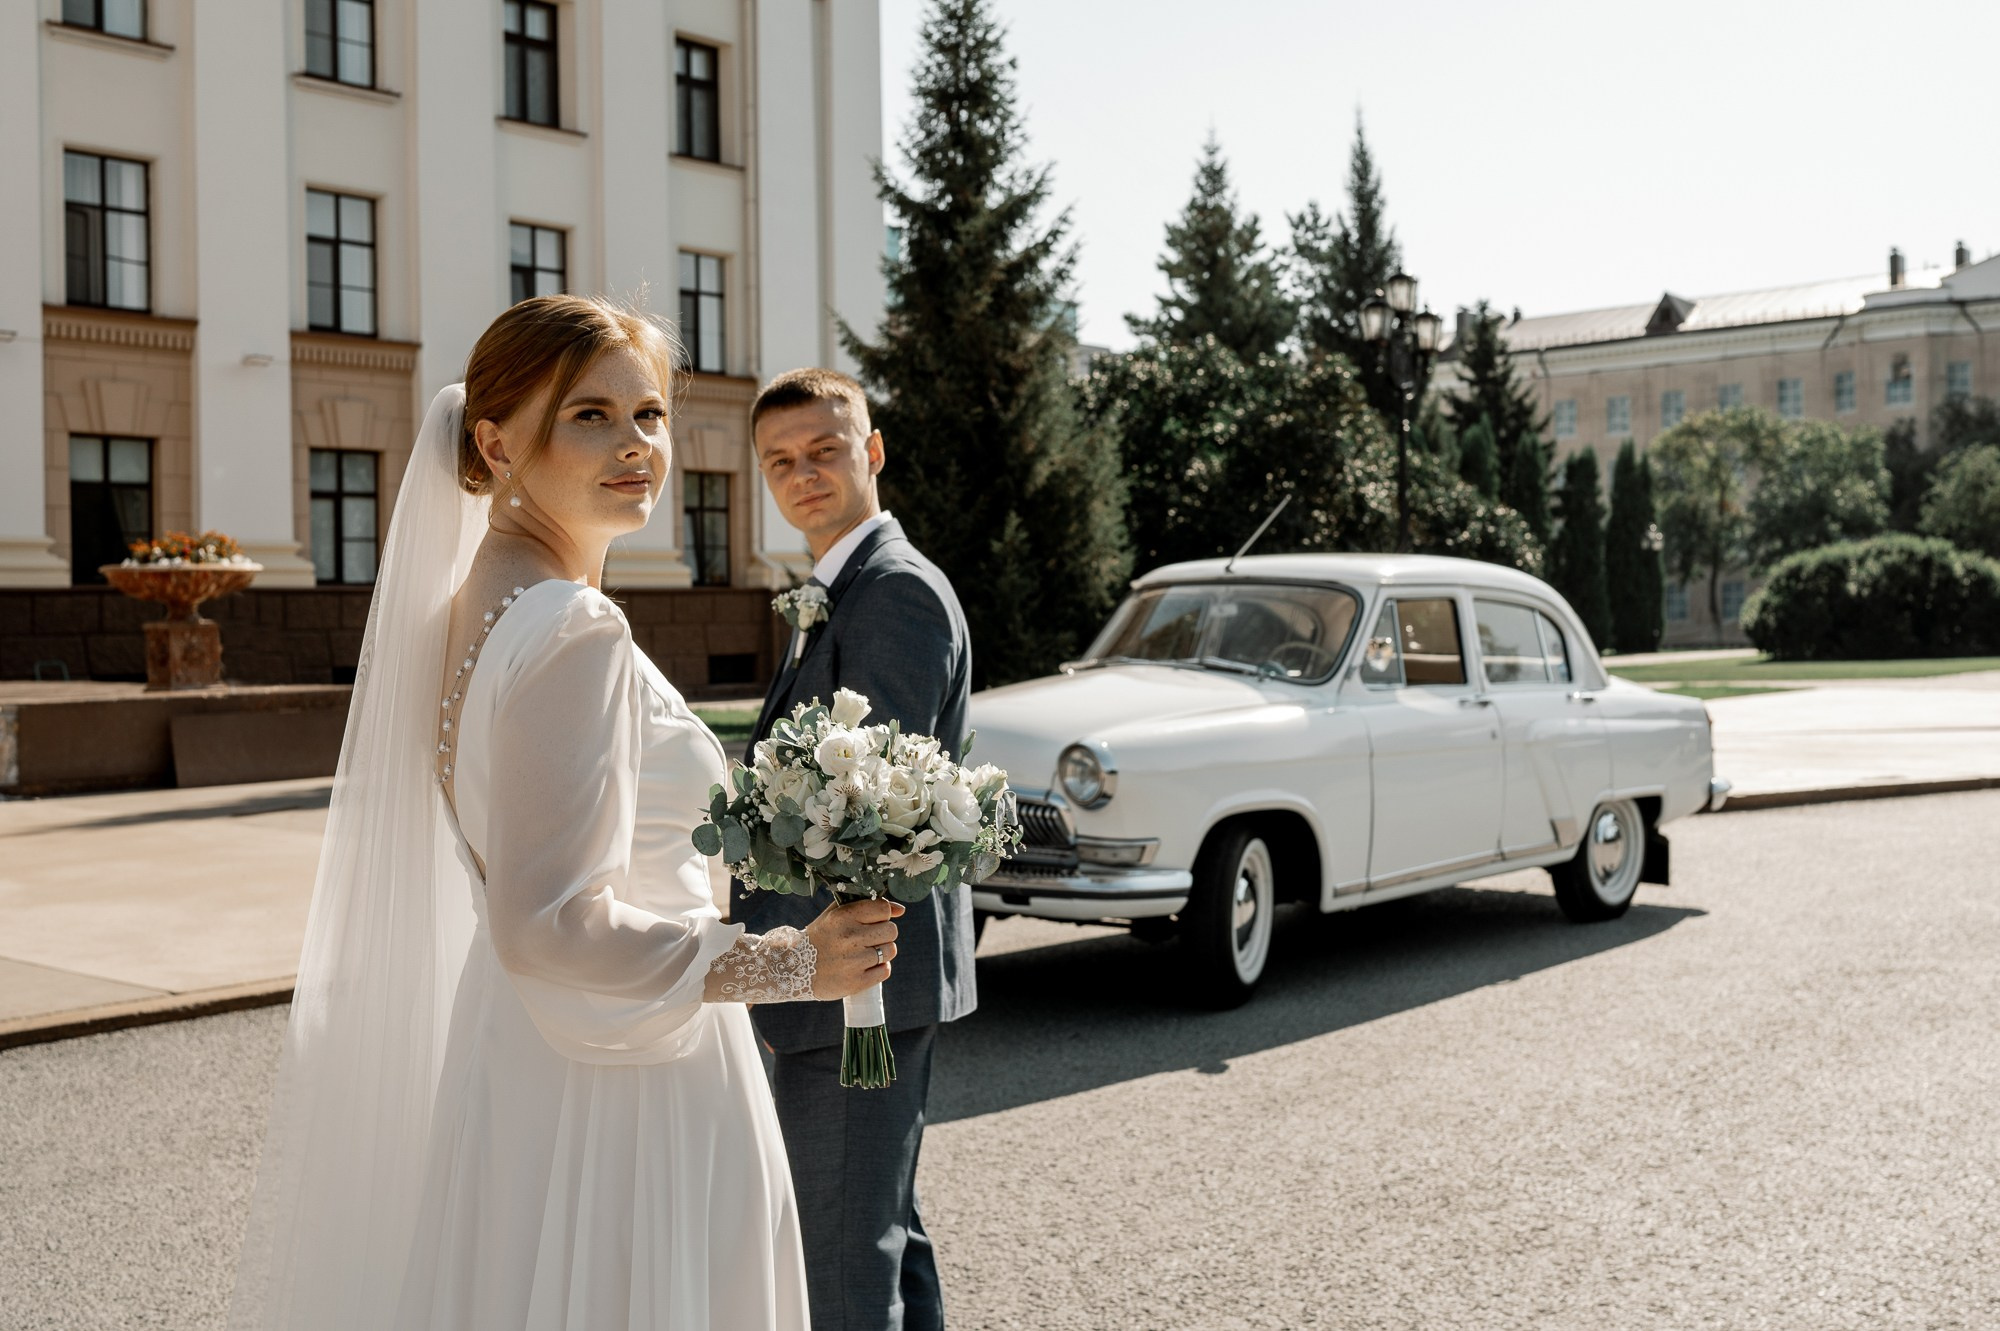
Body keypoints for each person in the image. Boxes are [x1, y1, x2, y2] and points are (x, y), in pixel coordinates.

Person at [229, 296, 901, 1331]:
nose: (635, 445)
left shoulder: (464, 605)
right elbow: (547, 921)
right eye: (588, 414)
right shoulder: (572, 626)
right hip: (623, 1090)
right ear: (496, 442)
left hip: (517, 1064)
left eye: (648, 414)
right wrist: (792, 962)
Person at [735, 368, 975, 1331]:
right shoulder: (844, 587)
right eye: (780, 461)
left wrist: (784, 962)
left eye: (825, 450)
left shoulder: (894, 593)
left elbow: (870, 811)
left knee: (839, 1266)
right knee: (878, 1234)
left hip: (853, 987)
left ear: (871, 452)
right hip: (834, 983)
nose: (804, 474)